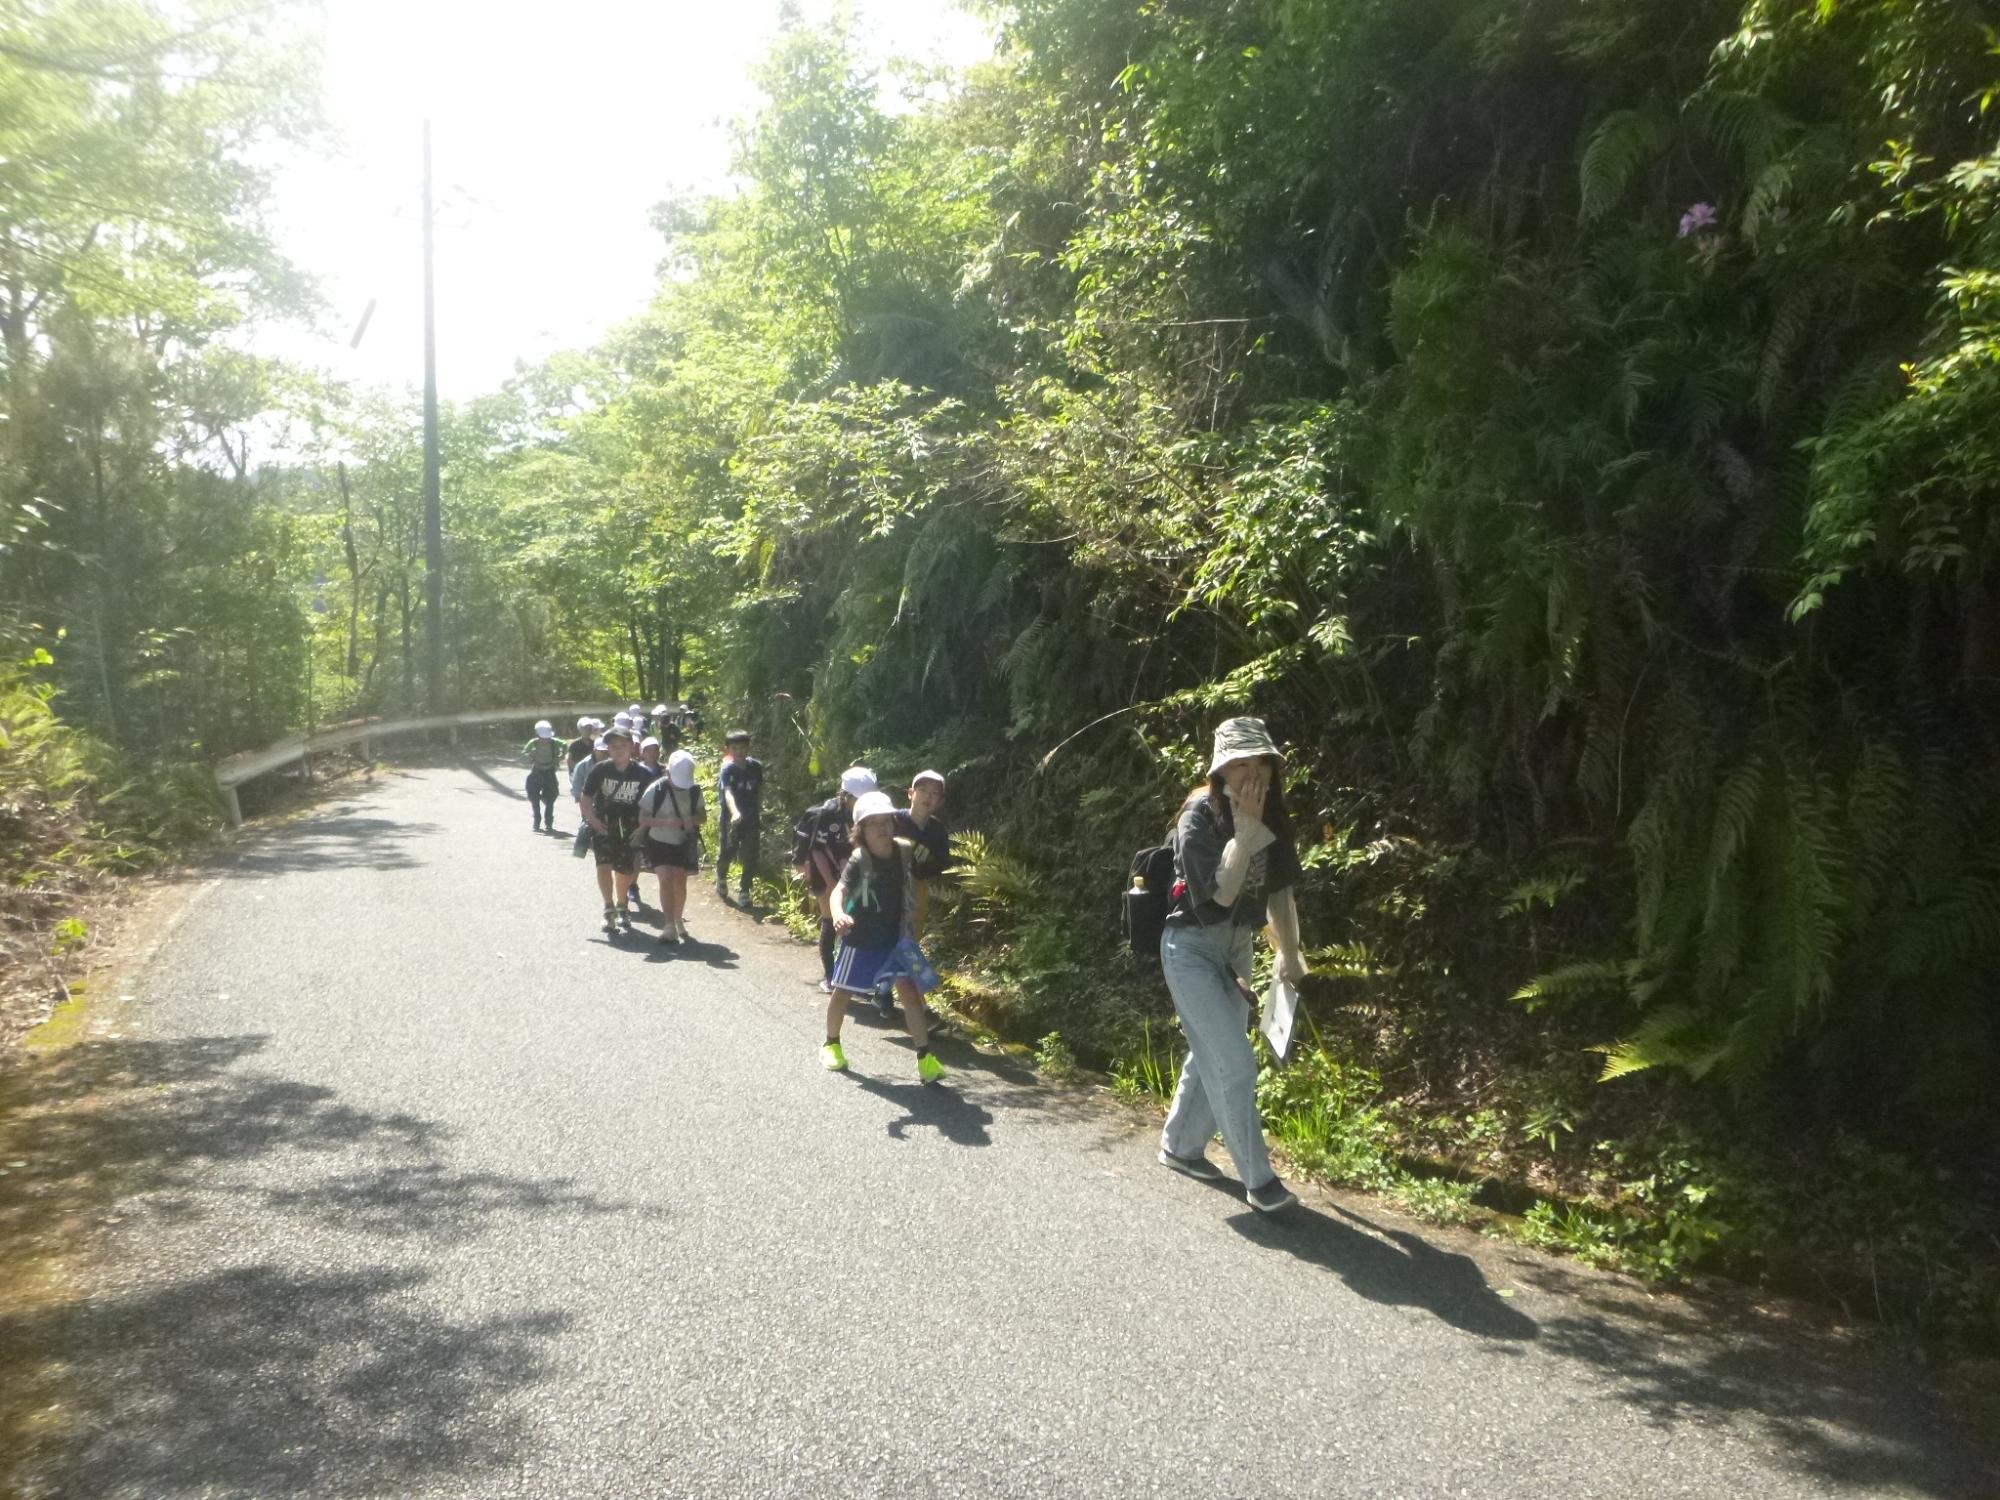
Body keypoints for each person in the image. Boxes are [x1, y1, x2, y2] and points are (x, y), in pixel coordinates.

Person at [1158, 717, 1309, 1213]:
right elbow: (1221, 895)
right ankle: (1260, 1180)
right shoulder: (1197, 817)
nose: (1253, 774)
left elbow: (1280, 891)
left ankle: (1179, 1146)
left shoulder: (1275, 812)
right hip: (1191, 949)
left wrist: (1288, 951)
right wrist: (1243, 835)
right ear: (1221, 770)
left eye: (1260, 763)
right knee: (1237, 1063)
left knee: (1212, 1051)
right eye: (1240, 763)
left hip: (1239, 948)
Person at [822, 790, 946, 1082]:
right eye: (873, 823)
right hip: (861, 939)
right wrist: (838, 914)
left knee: (910, 996)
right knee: (843, 992)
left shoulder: (903, 851)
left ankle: (925, 1057)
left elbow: (913, 884)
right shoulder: (858, 858)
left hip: (896, 940)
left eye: (886, 821)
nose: (882, 828)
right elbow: (839, 891)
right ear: (861, 830)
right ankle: (831, 1044)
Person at [793, 766, 875, 991]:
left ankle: (855, 975)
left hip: (852, 868)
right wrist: (832, 884)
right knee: (830, 920)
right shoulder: (825, 814)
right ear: (845, 795)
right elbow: (816, 851)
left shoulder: (868, 813)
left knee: (857, 920)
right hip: (823, 871)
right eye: (858, 798)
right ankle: (831, 977)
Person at [580, 724, 658, 937]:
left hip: (630, 827)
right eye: (613, 746)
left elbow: (651, 804)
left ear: (632, 747)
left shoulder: (642, 773)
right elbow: (586, 797)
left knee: (623, 869)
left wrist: (643, 828)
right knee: (603, 865)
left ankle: (622, 903)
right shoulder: (600, 769)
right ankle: (608, 906)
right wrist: (592, 820)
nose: (618, 749)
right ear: (608, 749)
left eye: (623, 745)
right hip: (604, 824)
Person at [638, 749, 703, 945]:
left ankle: (677, 918)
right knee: (665, 879)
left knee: (680, 882)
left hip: (682, 842)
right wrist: (666, 823)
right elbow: (642, 818)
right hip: (658, 841)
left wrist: (689, 820)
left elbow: (703, 816)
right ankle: (668, 925)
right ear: (668, 773)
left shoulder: (694, 790)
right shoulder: (655, 790)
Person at [894, 769, 953, 939]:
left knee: (911, 938)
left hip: (916, 888)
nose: (928, 797)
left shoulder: (937, 831)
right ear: (911, 794)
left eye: (935, 793)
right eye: (923, 790)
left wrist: (919, 870)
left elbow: (942, 862)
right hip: (886, 885)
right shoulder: (893, 820)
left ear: (940, 801)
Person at [715, 729, 765, 905]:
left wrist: (759, 810)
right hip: (731, 818)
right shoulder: (727, 770)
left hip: (751, 817)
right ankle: (721, 876)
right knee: (728, 851)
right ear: (728, 749)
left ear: (748, 748)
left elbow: (759, 790)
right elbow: (728, 793)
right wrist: (735, 812)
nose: (739, 752)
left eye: (742, 747)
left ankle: (745, 890)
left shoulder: (756, 767)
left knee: (751, 854)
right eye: (734, 748)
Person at [570, 735, 607, 859]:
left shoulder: (613, 764)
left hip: (607, 800)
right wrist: (580, 800)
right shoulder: (583, 765)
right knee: (586, 824)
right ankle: (580, 849)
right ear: (594, 750)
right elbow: (577, 784)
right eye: (601, 751)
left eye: (606, 751)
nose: (604, 754)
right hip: (588, 799)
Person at [522, 719, 563, 833]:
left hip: (549, 772)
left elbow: (565, 746)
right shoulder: (533, 743)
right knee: (533, 797)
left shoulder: (555, 742)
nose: (546, 739)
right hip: (536, 772)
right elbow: (524, 752)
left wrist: (560, 757)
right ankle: (537, 819)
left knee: (550, 799)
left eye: (547, 737)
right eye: (543, 737)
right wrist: (530, 755)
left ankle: (548, 822)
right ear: (538, 735)